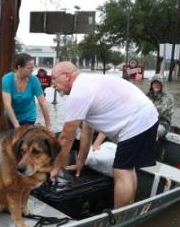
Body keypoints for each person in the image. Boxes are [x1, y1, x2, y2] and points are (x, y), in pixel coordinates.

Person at [49, 61, 159, 208]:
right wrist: (81, 162)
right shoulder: (87, 84)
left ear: (67, 76)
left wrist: (55, 168)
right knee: (128, 168)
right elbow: (87, 131)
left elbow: (66, 137)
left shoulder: (78, 93)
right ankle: (129, 207)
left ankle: (120, 218)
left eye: (54, 79)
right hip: (147, 117)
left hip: (137, 122)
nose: (52, 84)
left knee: (121, 170)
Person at [2, 53, 51, 129]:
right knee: (15, 139)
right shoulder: (7, 79)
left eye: (33, 68)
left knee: (26, 138)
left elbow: (43, 103)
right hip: (12, 116)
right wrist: (16, 126)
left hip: (29, 117)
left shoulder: (34, 80)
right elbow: (7, 104)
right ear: (19, 68)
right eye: (29, 68)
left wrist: (49, 126)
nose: (32, 70)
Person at [146, 74, 174, 139]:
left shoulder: (167, 97)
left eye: (159, 83)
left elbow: (159, 111)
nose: (156, 85)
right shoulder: (148, 96)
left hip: (162, 123)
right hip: (148, 121)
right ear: (151, 85)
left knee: (154, 131)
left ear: (162, 85)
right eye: (155, 83)